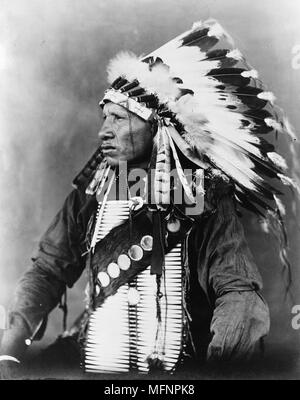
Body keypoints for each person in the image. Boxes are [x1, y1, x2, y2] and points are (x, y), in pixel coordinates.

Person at [0, 19, 296, 379]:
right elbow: (47, 271)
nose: (103, 131)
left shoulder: (201, 196)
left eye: (119, 119)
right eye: (104, 116)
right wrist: (9, 352)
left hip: (179, 375)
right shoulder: (93, 192)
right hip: (94, 365)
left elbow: (237, 293)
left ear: (156, 127)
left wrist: (221, 370)